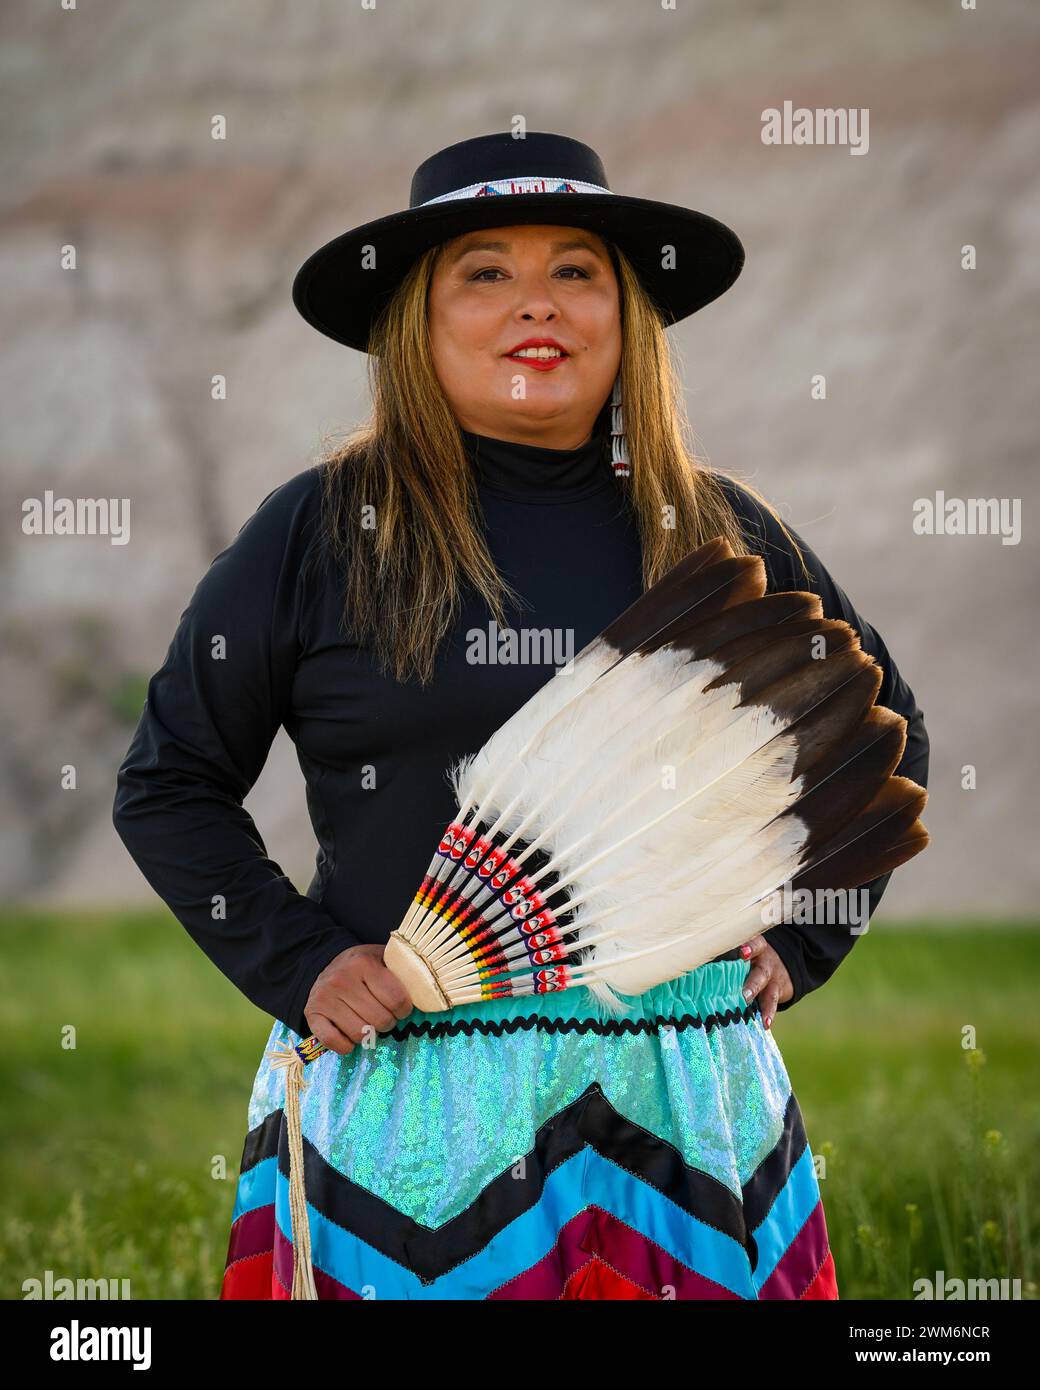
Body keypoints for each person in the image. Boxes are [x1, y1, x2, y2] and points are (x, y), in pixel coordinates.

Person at [112, 131, 929, 1300]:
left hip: (680, 1107)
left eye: (576, 271)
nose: (533, 306)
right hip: (404, 1106)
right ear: (417, 319)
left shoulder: (711, 529)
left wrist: (802, 936)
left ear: (625, 311)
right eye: (483, 272)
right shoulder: (319, 531)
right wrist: (297, 961)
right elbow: (169, 782)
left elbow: (875, 732)